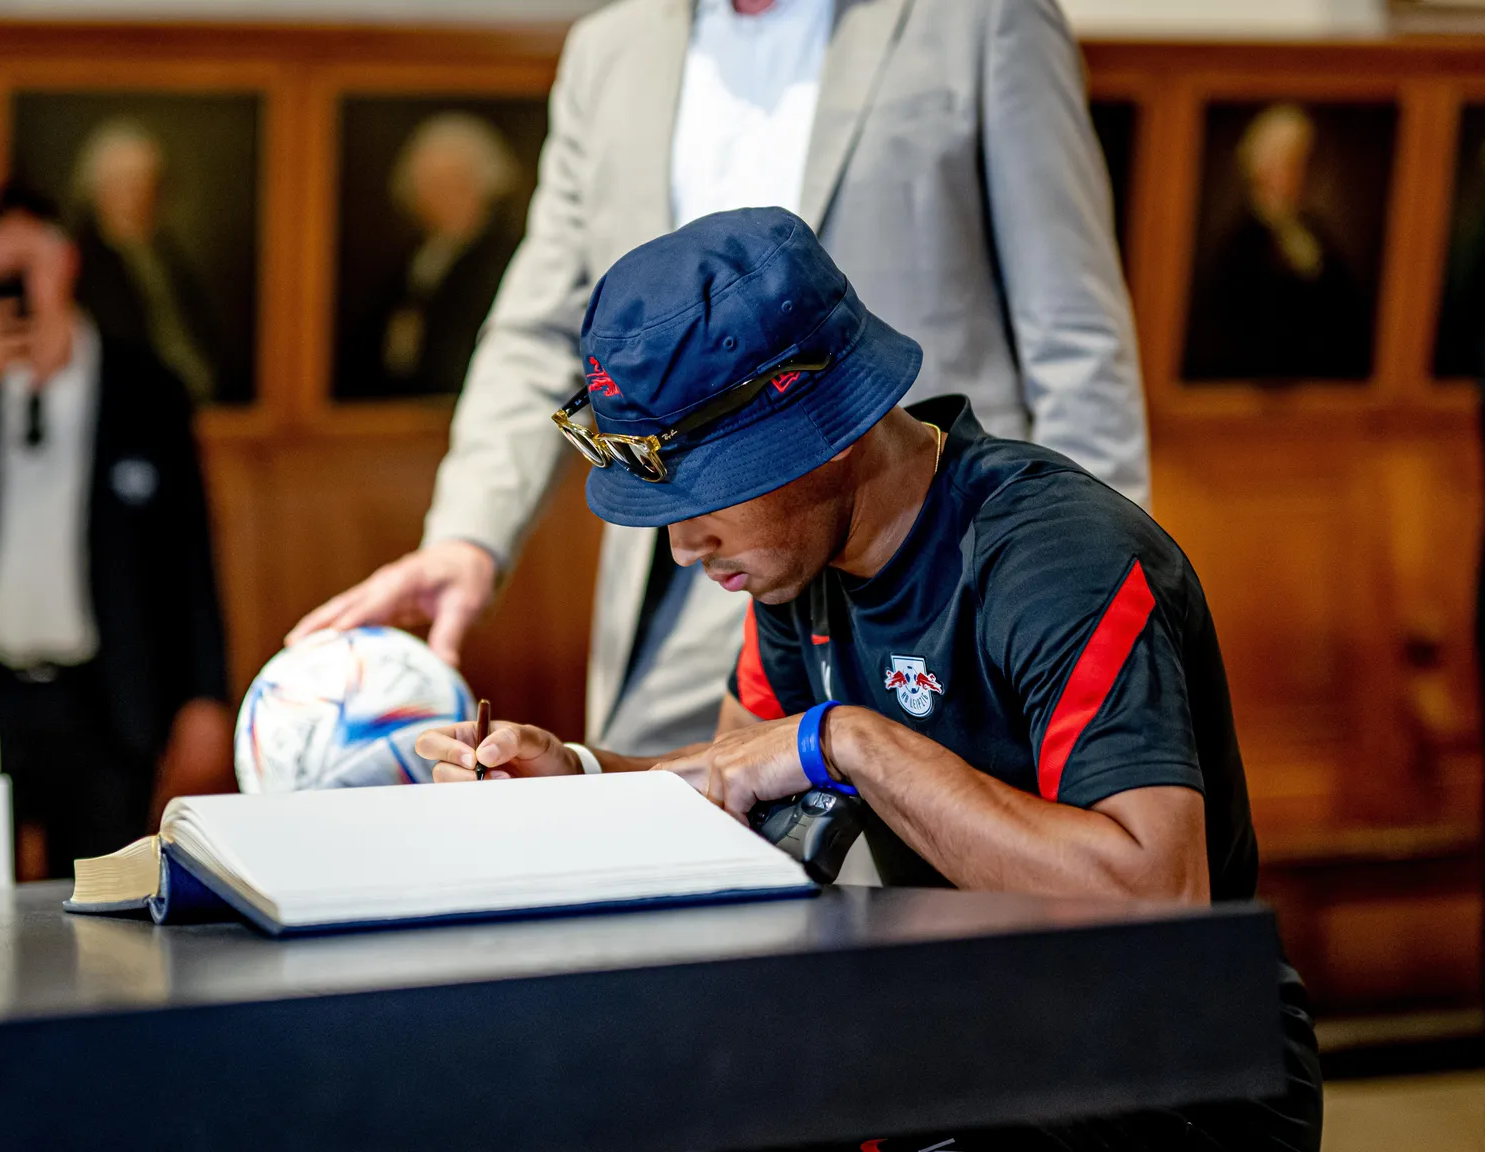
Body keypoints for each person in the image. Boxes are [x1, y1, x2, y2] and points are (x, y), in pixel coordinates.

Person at [417, 207, 1320, 1151]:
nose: (682, 546)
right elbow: (736, 789)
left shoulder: (1058, 560)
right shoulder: (794, 561)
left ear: (831, 431)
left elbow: (1153, 902)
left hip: (1176, 1072)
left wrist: (850, 740)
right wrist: (581, 781)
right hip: (970, 1026)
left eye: (707, 493)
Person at [292, 0, 1149, 775]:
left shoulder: (978, 21)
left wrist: (1085, 579)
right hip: (676, 549)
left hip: (912, 552)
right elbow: (540, 327)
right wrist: (469, 536)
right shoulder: (610, 50)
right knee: (656, 861)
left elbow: (1072, 323)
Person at [0, 185, 232, 880]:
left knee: (102, 920)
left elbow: (189, 551)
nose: (13, 293)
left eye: (23, 268)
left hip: (104, 696)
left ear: (65, 259)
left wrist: (206, 695)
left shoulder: (144, 389)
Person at [338, 111, 525, 399]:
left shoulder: (500, 262)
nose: (441, 197)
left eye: (454, 183)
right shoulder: (410, 264)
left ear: (486, 186)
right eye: (430, 185)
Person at [1183, 102, 1372, 381]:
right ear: (1262, 168)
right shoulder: (1240, 242)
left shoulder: (1316, 233)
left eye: (1304, 164)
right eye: (1291, 164)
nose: (1300, 175)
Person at [69, 118, 221, 407]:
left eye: (144, 184)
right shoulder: (85, 264)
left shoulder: (166, 257)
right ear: (97, 192)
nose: (136, 198)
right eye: (124, 185)